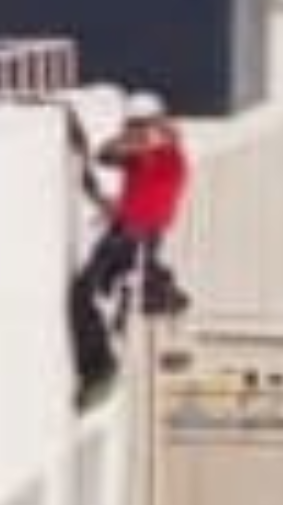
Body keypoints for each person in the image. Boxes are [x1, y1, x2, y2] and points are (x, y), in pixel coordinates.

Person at [68, 89, 193, 402]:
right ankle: (102, 362)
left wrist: (144, 137)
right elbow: (105, 156)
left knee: (91, 293)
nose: (135, 132)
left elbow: (122, 154)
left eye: (141, 125)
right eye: (132, 125)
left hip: (137, 238)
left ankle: (101, 367)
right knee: (92, 293)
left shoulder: (166, 154)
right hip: (126, 233)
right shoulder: (148, 153)